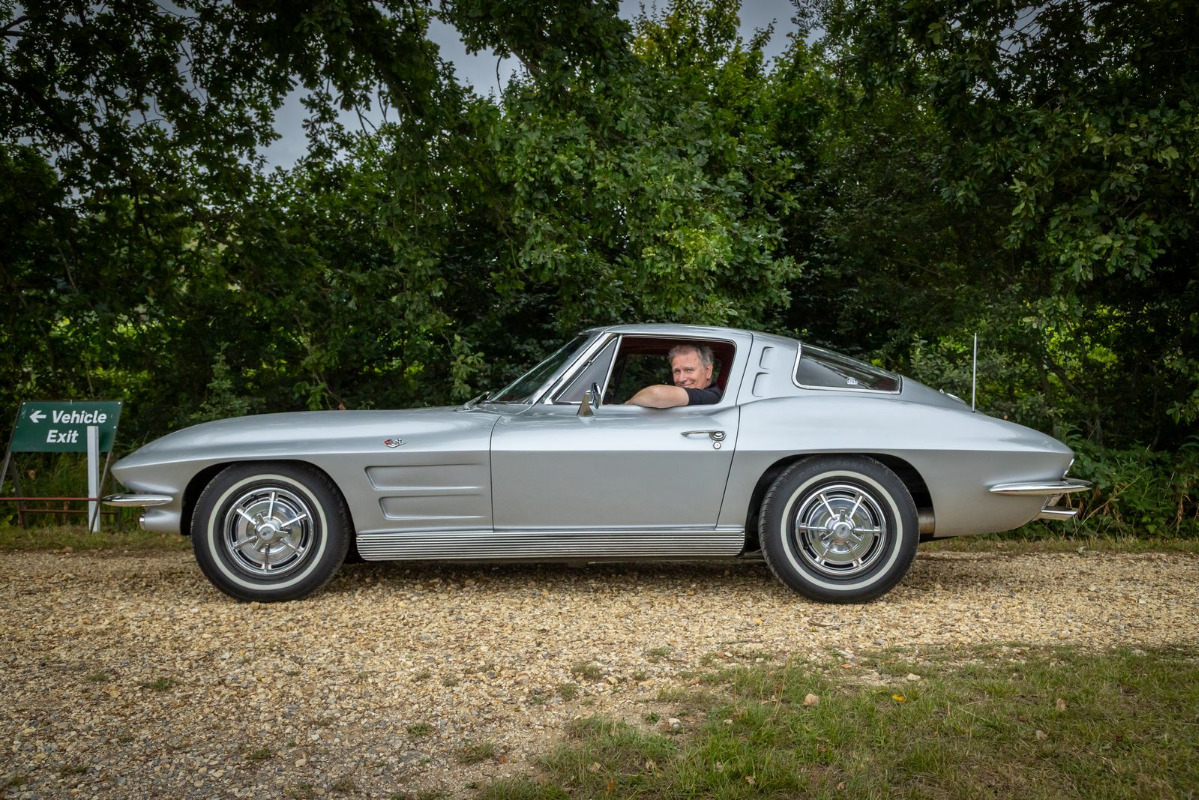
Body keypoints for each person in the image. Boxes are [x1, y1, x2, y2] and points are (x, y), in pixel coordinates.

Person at [626, 343, 722, 408]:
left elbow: (656, 394)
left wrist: (627, 405)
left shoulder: (714, 397)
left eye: (689, 370)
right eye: (677, 371)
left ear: (708, 371)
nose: (681, 379)